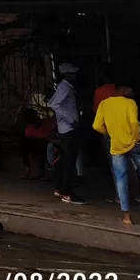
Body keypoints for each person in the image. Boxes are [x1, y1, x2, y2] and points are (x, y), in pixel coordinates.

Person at [93, 83, 140, 227]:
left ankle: (126, 217)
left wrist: (111, 133)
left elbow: (96, 125)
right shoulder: (130, 103)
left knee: (120, 179)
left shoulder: (104, 104)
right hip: (134, 143)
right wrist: (137, 137)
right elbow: (134, 123)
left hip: (116, 146)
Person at [48, 63, 85, 203]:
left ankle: (60, 188)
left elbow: (52, 102)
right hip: (68, 129)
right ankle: (67, 193)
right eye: (73, 73)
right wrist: (70, 119)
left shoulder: (65, 87)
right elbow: (54, 104)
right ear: (68, 74)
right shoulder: (65, 87)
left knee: (63, 160)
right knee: (69, 162)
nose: (75, 76)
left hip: (66, 128)